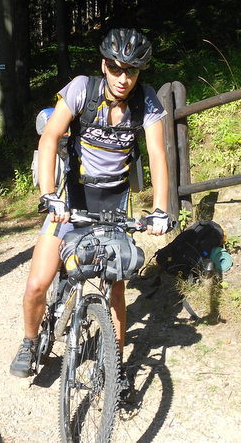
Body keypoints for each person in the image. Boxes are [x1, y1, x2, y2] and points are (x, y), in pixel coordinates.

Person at [10, 28, 172, 378]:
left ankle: (115, 365)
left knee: (116, 287)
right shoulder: (82, 88)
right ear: (104, 65)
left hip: (114, 205)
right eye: (116, 68)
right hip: (70, 200)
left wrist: (160, 210)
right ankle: (29, 340)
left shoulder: (146, 101)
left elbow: (158, 156)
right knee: (38, 283)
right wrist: (50, 196)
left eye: (131, 71)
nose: (123, 79)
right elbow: (50, 137)